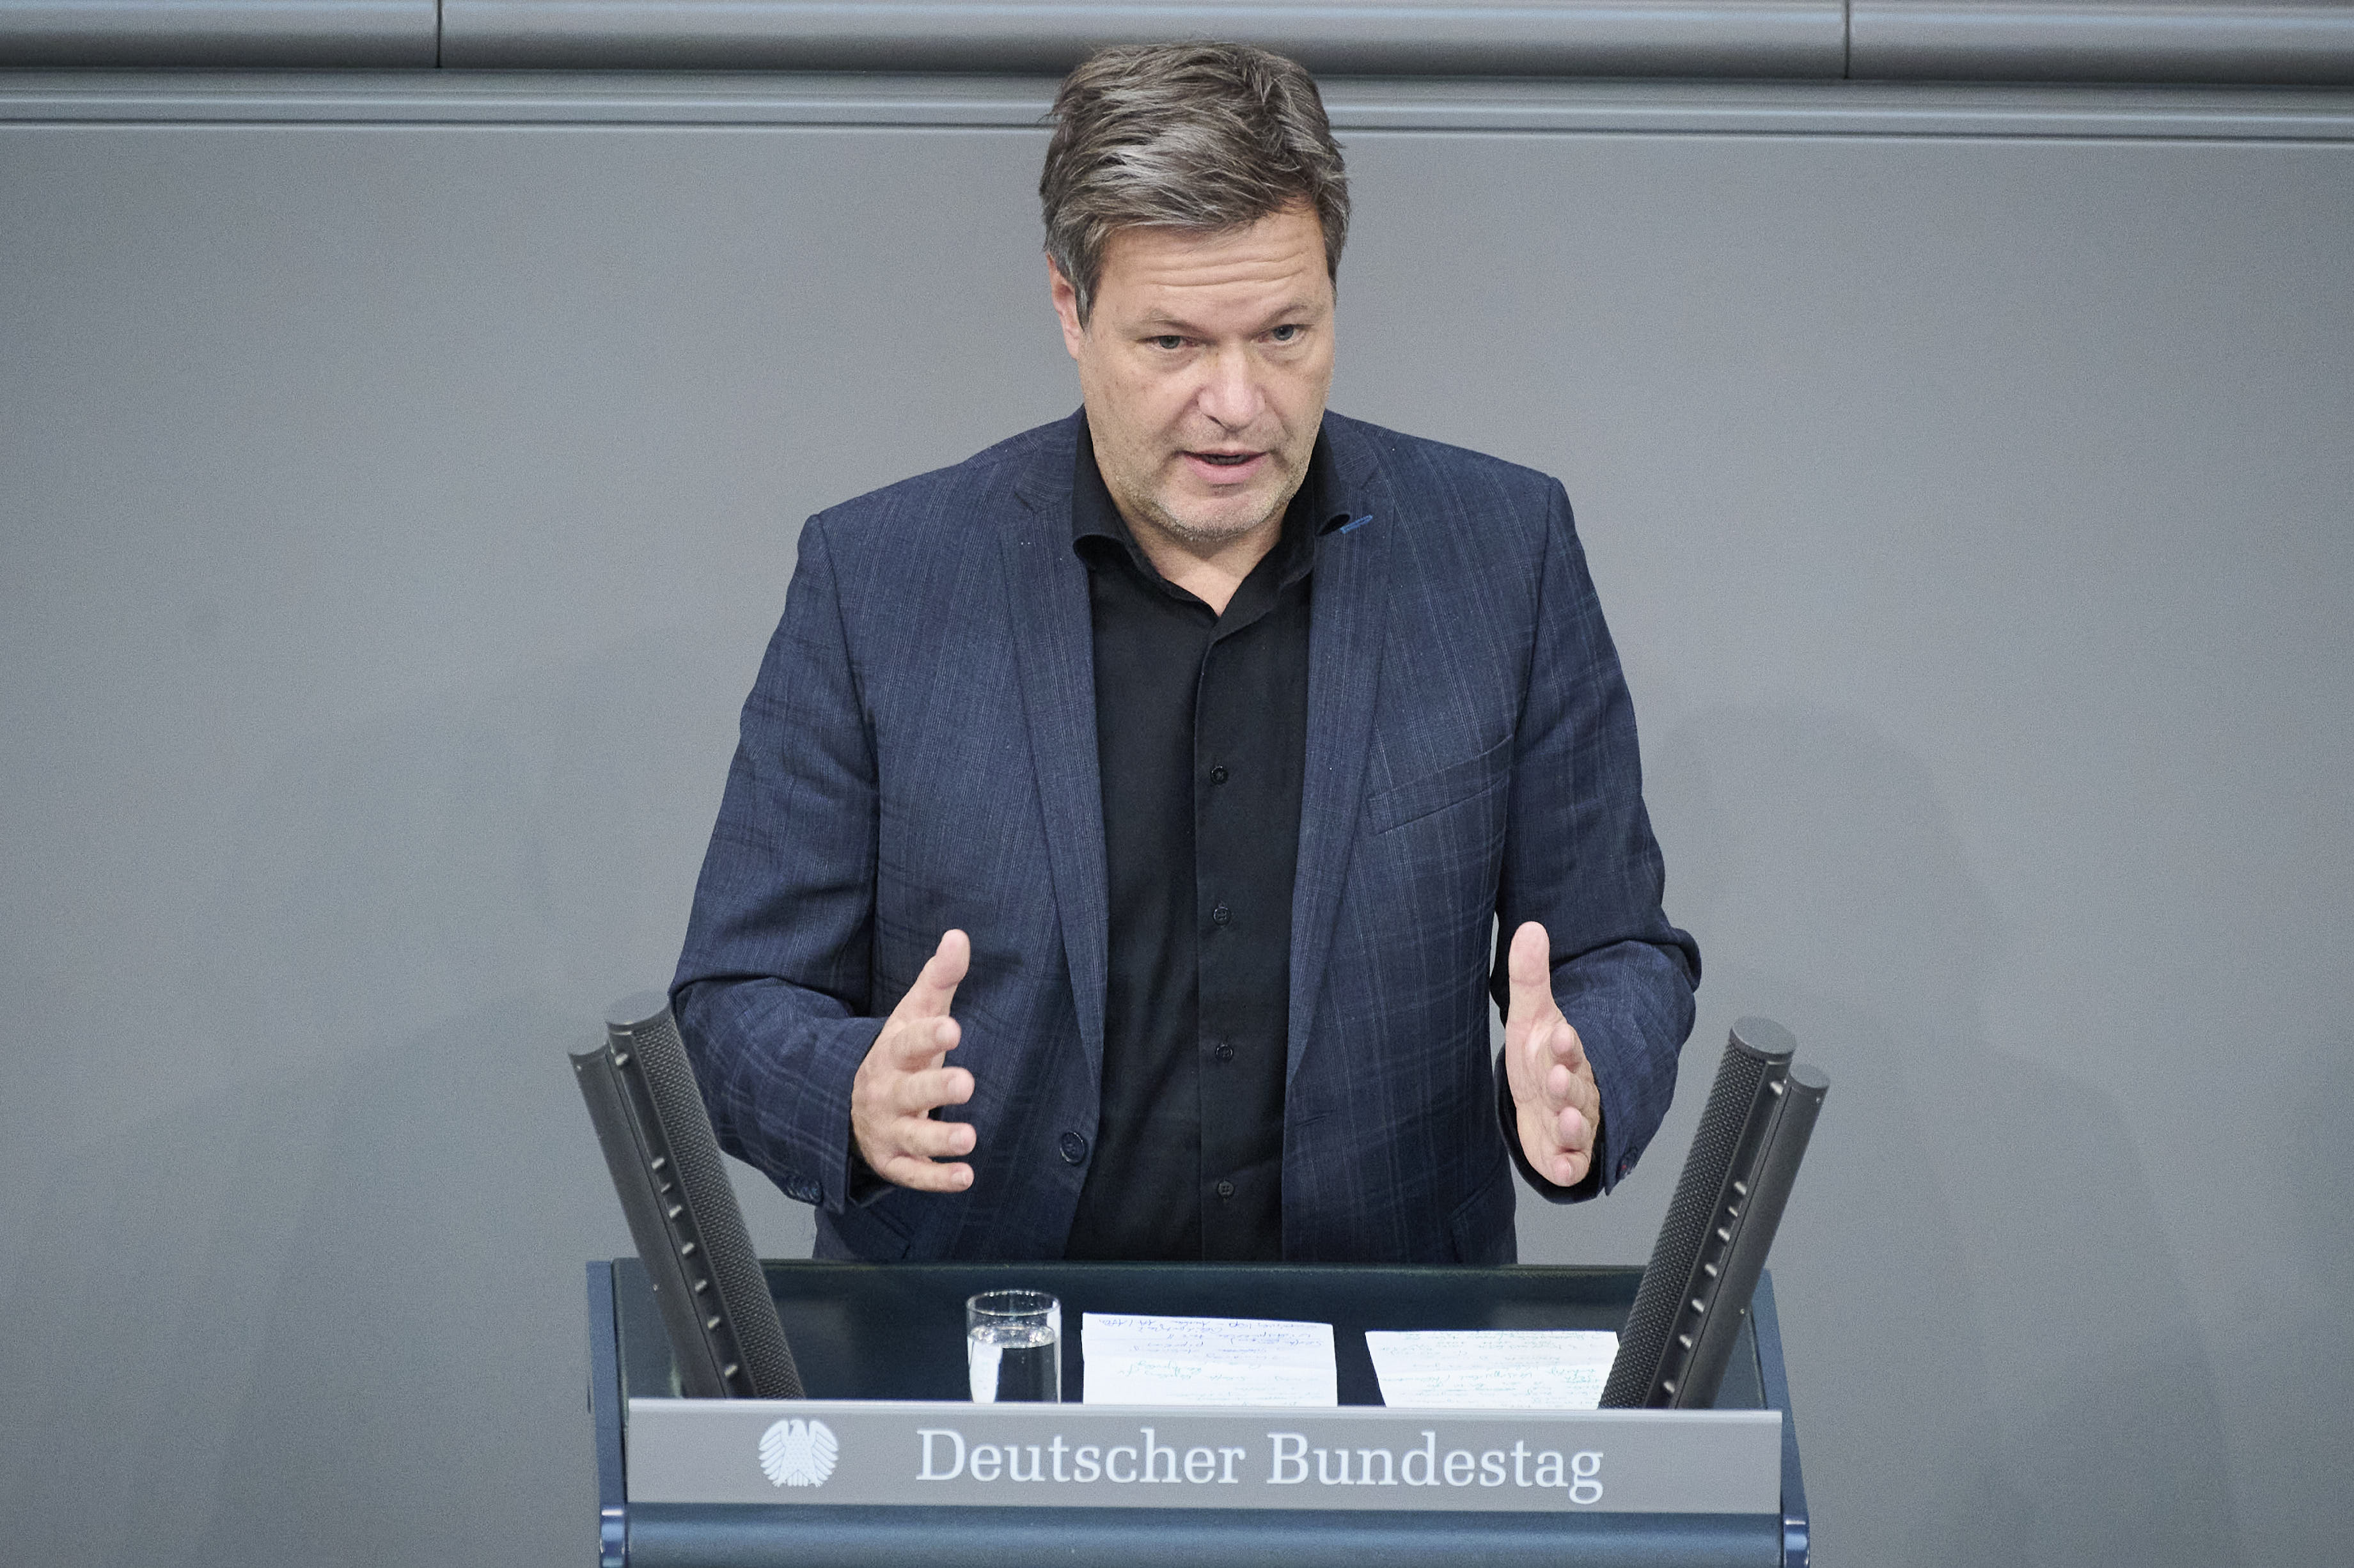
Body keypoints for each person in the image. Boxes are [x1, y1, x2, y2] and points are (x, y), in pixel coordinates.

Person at [671, 41, 1699, 1265]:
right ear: (1070, 306)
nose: (1236, 401)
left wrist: (1585, 1067)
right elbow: (735, 997)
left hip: (1373, 1356)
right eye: (1172, 344)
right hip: (982, 1355)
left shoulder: (1501, 554)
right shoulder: (879, 577)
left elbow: (1613, 949)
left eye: (1282, 332)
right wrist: (846, 1092)